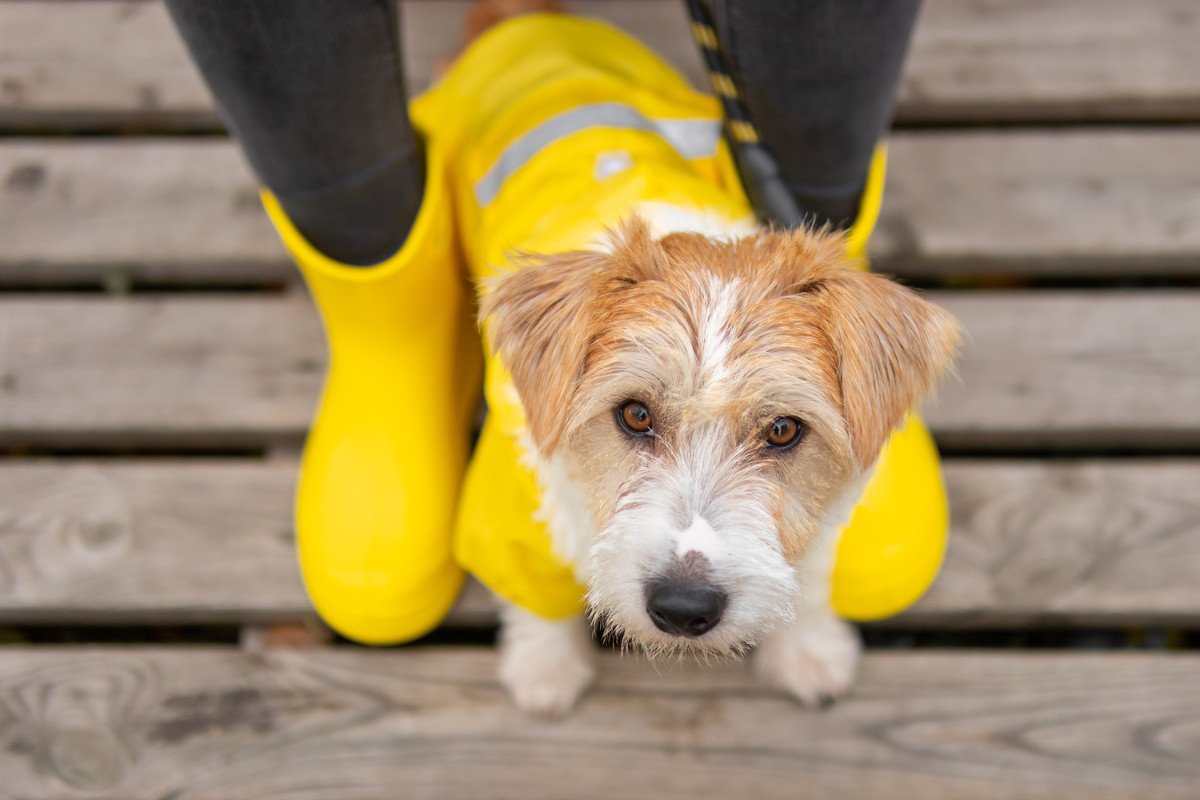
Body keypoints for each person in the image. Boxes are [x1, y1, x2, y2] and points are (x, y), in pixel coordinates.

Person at [165, 0, 927, 643]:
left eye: (781, 432)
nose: (692, 560)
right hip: (495, 110)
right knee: (525, 540)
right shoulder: (554, 330)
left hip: (644, 128)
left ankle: (839, 397)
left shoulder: (857, 334)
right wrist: (545, 643)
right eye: (636, 417)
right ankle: (391, 307)